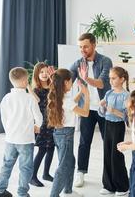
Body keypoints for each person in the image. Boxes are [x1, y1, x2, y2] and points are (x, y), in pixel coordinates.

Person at [70, 33, 112, 187]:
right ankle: (80, 172)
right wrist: (54, 78)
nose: (83, 49)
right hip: (86, 109)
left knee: (107, 142)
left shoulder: (105, 61)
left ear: (94, 45)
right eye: (80, 47)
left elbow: (101, 83)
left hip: (104, 108)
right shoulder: (78, 63)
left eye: (86, 46)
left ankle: (109, 175)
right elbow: (66, 80)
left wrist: (86, 78)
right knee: (84, 141)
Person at [0, 67, 43, 197]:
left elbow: (4, 119)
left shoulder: (6, 98)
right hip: (25, 140)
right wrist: (37, 125)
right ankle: (22, 193)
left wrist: (10, 131)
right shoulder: (29, 98)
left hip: (10, 139)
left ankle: (0, 190)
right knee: (25, 168)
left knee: (7, 165)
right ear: (25, 81)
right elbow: (39, 117)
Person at [47, 68, 90, 197]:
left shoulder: (60, 97)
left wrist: (81, 93)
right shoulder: (66, 100)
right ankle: (53, 195)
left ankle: (68, 190)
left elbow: (72, 103)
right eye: (71, 81)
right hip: (66, 135)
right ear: (66, 82)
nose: (72, 83)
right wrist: (87, 96)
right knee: (64, 166)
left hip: (60, 134)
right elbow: (85, 113)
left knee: (70, 162)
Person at [98, 67, 130, 196]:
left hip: (118, 127)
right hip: (108, 125)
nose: (110, 81)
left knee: (116, 155)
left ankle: (122, 187)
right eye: (110, 78)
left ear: (122, 79)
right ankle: (108, 185)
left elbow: (128, 118)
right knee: (107, 154)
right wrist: (102, 107)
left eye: (113, 78)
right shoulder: (108, 93)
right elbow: (102, 114)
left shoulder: (126, 95)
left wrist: (114, 111)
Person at [29, 62, 55, 187]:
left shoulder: (52, 87)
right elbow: (36, 104)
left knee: (51, 148)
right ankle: (32, 176)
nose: (44, 74)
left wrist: (53, 79)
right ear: (37, 74)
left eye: (46, 71)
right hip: (43, 124)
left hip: (52, 122)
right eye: (41, 72)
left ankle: (46, 173)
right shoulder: (36, 90)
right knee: (43, 149)